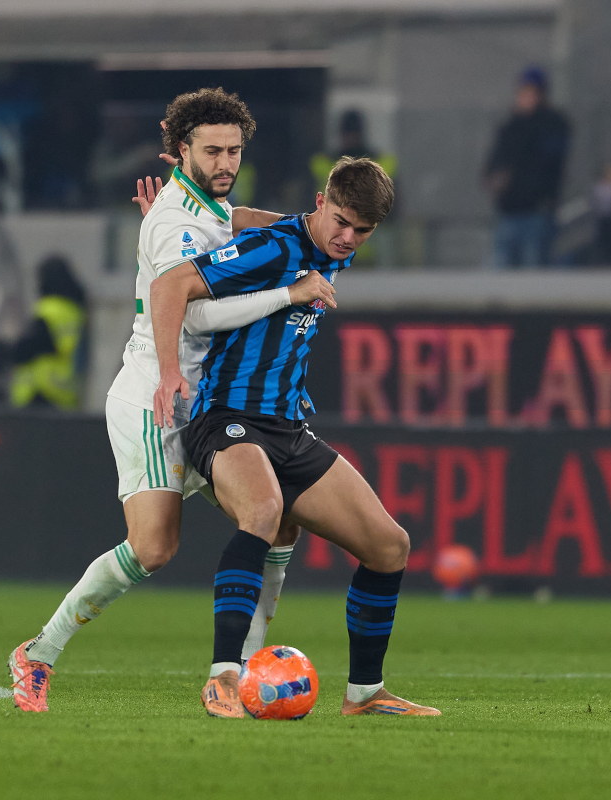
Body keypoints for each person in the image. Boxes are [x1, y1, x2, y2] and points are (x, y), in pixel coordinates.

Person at [7, 88, 334, 713]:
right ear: (180, 151)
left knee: (277, 515)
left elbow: (234, 219)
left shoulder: (205, 204)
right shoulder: (175, 222)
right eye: (212, 150)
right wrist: (291, 293)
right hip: (156, 400)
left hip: (204, 403)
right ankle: (38, 653)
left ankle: (240, 675)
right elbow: (199, 315)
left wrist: (300, 225)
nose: (226, 162)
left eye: (234, 150)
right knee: (155, 547)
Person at [150, 157, 440, 718]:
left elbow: (246, 218)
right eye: (340, 221)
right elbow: (175, 284)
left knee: (390, 546)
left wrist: (220, 214)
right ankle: (222, 680)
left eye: (362, 231)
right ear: (320, 201)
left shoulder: (328, 244)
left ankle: (364, 695)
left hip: (287, 427)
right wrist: (169, 372)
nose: (347, 238)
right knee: (262, 509)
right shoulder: (278, 250)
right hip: (224, 419)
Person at [483, 66, 571, 268]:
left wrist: (512, 177)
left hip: (537, 214)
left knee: (534, 273)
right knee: (500, 272)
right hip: (509, 213)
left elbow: (543, 166)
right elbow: (494, 164)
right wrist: (495, 179)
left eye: (531, 92)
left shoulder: (553, 125)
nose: (525, 98)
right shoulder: (510, 127)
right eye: (523, 92)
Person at [9, 256, 88, 410]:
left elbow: (24, 350)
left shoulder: (48, 309)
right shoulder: (76, 312)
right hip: (66, 395)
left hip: (40, 392)